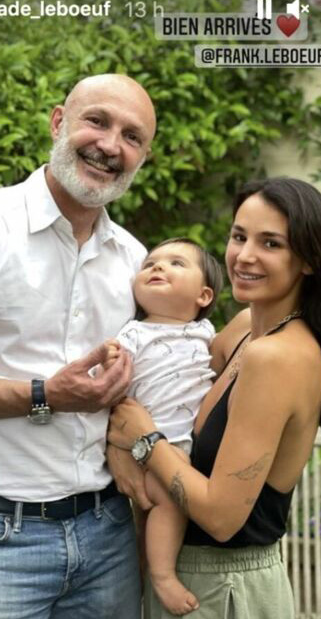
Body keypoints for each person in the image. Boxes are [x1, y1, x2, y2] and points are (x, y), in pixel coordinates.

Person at [0, 73, 157, 619]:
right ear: (58, 122)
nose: (110, 145)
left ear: (142, 156)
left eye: (132, 136)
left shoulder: (137, 263)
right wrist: (44, 393)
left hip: (109, 535)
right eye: (97, 121)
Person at [108, 177, 321, 618]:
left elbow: (222, 516)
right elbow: (169, 379)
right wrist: (117, 442)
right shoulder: (246, 327)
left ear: (309, 261)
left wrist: (144, 441)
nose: (244, 256)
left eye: (271, 243)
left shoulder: (277, 356)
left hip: (223, 587)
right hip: (190, 579)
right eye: (239, 236)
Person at [104, 237, 223, 615]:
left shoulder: (207, 334)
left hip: (186, 445)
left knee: (176, 501)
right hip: (151, 444)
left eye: (175, 263)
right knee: (169, 505)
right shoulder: (132, 334)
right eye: (150, 264)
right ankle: (162, 575)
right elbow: (110, 386)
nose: (157, 267)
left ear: (203, 295)